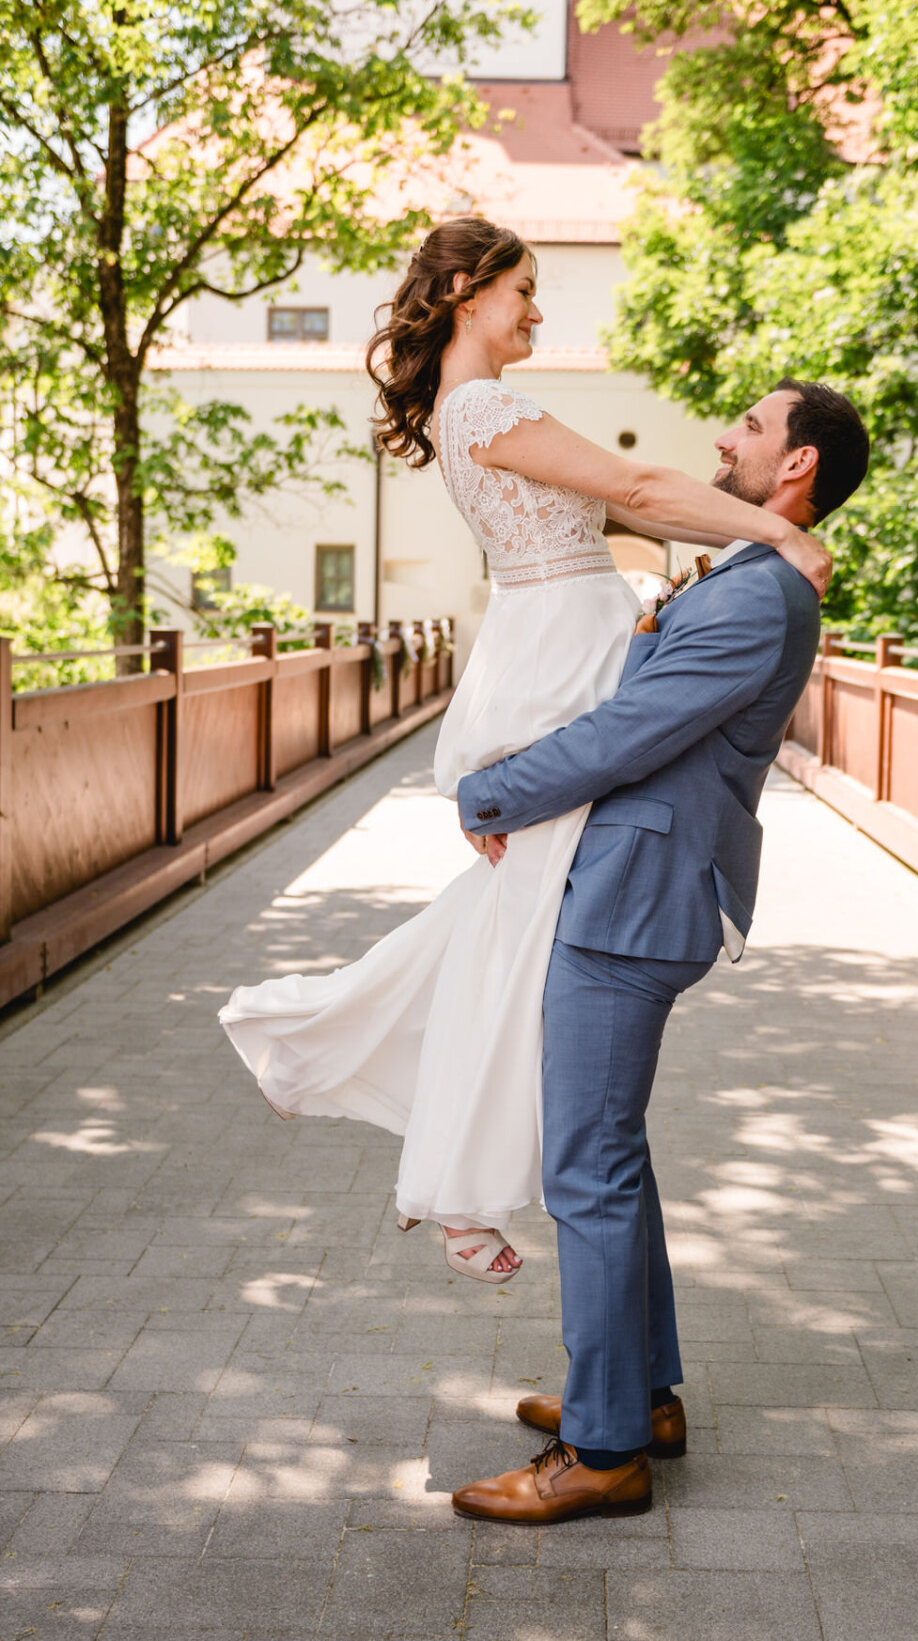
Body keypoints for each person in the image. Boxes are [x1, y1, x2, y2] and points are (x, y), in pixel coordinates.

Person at [218, 215, 833, 1282]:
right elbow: (637, 490)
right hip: (556, 654)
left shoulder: (476, 410)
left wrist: (657, 575)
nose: (539, 310)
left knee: (511, 921)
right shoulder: (487, 404)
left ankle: (381, 1094)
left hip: (559, 638)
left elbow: (608, 519)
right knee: (517, 931)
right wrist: (780, 532)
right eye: (525, 290)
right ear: (465, 290)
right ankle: (447, 1172)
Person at [448, 372, 870, 1524]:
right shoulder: (747, 572)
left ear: (797, 467)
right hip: (637, 886)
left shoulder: (758, 597)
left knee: (585, 1162)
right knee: (610, 1152)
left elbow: (630, 731)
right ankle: (644, 1397)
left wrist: (490, 790)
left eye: (749, 426)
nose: (723, 438)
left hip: (635, 899)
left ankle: (604, 1451)